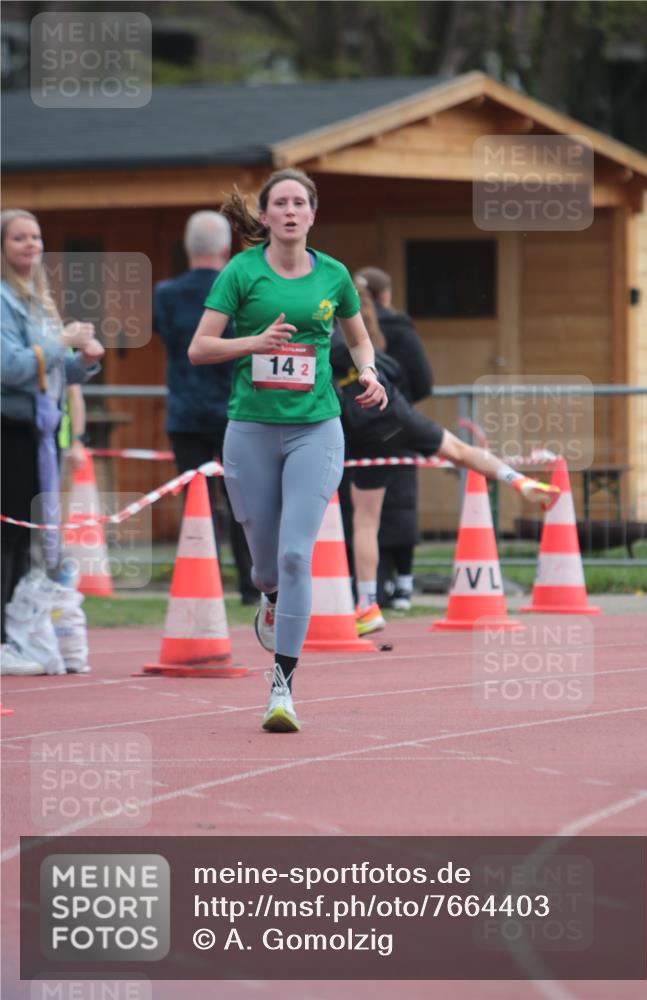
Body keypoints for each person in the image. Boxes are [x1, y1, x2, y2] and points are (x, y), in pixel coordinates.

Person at [188, 168, 387, 733]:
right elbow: (199, 348)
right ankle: (269, 595)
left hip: (316, 427)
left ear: (312, 214)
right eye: (282, 203)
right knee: (267, 564)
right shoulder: (242, 271)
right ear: (267, 215)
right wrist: (254, 342)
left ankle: (282, 687)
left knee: (300, 555)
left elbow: (358, 335)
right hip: (250, 429)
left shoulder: (335, 275)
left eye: (302, 202)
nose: (292, 211)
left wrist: (368, 371)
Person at [330, 282, 560, 636]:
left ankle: (367, 604)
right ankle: (518, 478)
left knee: (365, 522)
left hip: (367, 432)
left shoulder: (326, 340)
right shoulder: (370, 340)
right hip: (399, 414)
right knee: (461, 451)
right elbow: (398, 372)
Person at [1, 208, 104, 666]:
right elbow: (11, 367)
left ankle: (16, 634)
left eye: (36, 237)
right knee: (8, 537)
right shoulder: (3, 298)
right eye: (19, 238)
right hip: (10, 431)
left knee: (27, 539)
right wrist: (61, 343)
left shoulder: (38, 296)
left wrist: (85, 357)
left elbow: (55, 371)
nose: (31, 245)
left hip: (41, 434)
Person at [153, 211, 259, 605]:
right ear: (226, 249)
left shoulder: (165, 293)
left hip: (184, 411)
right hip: (235, 411)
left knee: (196, 504)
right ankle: (252, 586)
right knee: (242, 503)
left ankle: (203, 581)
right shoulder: (241, 288)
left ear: (187, 248)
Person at [355, 266, 432, 611]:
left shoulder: (344, 328)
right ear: (385, 294)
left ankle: (368, 587)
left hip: (355, 423)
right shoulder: (400, 328)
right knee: (400, 504)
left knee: (361, 512)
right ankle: (402, 584)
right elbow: (423, 379)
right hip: (396, 423)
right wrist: (400, 400)